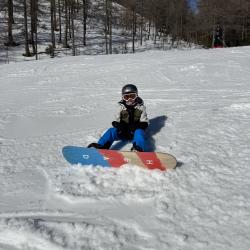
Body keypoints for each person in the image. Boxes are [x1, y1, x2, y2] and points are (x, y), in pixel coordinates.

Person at [88, 84, 149, 152]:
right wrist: (119, 126)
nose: (129, 99)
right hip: (123, 132)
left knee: (139, 132)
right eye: (126, 97)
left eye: (132, 96)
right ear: (123, 97)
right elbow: (115, 120)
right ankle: (101, 146)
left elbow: (145, 122)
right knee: (111, 131)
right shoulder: (120, 107)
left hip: (134, 133)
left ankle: (138, 148)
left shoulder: (141, 107)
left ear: (136, 96)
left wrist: (136, 126)